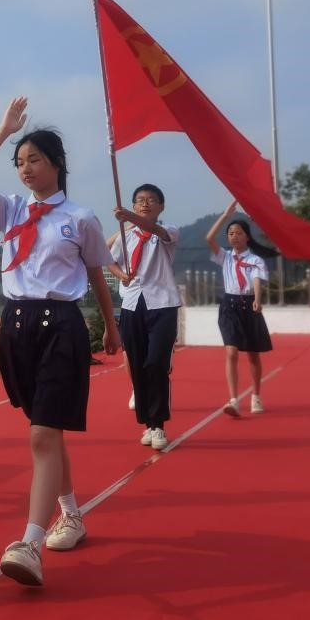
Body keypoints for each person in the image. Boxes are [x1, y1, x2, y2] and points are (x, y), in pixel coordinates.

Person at [0, 96, 120, 587]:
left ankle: (29, 543)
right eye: (20, 161)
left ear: (58, 165)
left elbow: (95, 275)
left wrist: (111, 326)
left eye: (34, 159)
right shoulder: (10, 209)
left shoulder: (81, 217)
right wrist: (4, 129)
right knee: (45, 430)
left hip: (62, 326)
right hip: (17, 326)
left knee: (41, 435)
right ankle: (71, 513)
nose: (25, 168)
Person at [109, 183, 182, 452]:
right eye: (140, 200)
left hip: (162, 304)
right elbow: (109, 259)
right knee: (138, 365)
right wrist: (120, 276)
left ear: (161, 206)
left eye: (152, 200)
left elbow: (156, 230)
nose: (145, 203)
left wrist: (130, 216)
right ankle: (148, 424)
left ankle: (160, 424)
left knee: (156, 363)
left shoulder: (168, 231)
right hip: (131, 304)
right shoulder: (125, 236)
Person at [206, 201, 275, 416]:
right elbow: (209, 238)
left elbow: (256, 279)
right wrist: (225, 215)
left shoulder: (255, 260)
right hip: (229, 306)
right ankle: (233, 399)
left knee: (253, 355)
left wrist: (257, 299)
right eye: (230, 233)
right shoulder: (225, 257)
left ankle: (256, 396)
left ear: (247, 236)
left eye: (238, 233)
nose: (234, 236)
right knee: (231, 351)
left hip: (249, 306)